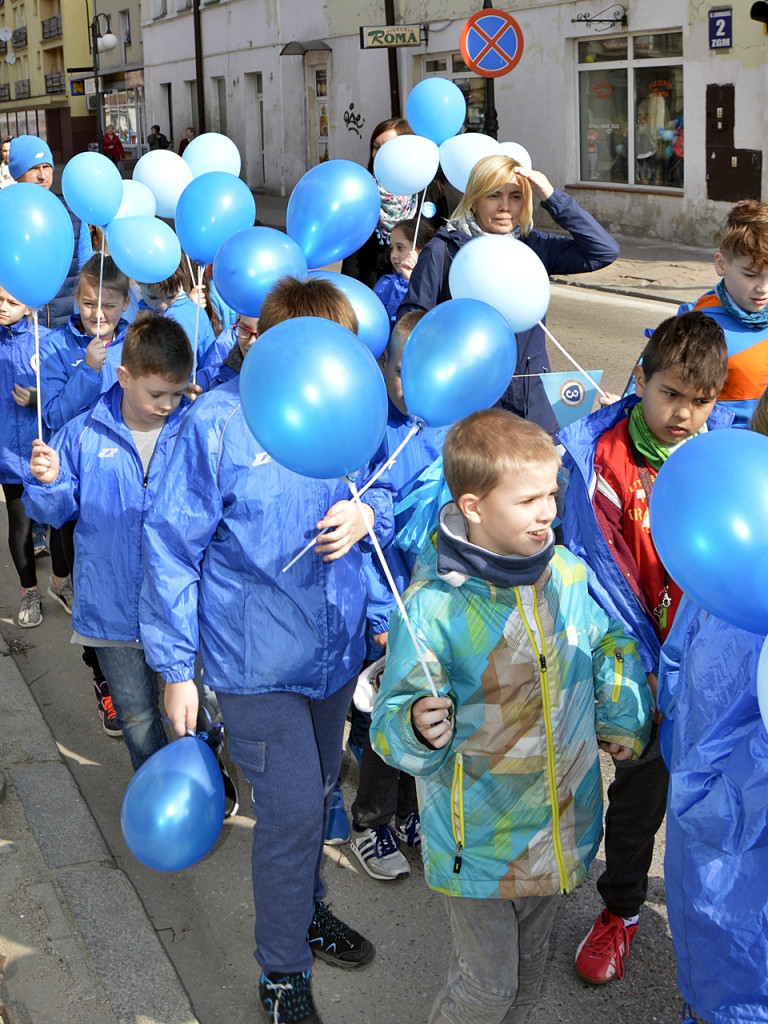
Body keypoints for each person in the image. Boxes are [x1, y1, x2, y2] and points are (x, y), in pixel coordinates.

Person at [140, 277, 392, 1024]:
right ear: (264, 346)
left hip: (334, 653)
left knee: (319, 793)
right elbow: (170, 548)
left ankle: (305, 910)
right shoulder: (216, 424)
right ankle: (282, 969)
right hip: (254, 663)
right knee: (289, 812)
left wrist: (368, 516)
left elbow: (396, 490)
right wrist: (176, 670)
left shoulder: (355, 412)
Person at [370, 408, 652, 1024]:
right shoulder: (434, 607)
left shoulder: (567, 574)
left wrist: (620, 709)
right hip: (479, 842)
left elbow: (610, 642)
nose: (547, 512)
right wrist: (415, 726)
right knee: (487, 991)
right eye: (527, 500)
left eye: (551, 494)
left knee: (526, 985)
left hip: (556, 829)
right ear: (473, 507)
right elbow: (390, 719)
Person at [557, 311, 731, 985]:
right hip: (625, 658)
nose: (683, 414)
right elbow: (592, 568)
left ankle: (699, 919)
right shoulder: (600, 457)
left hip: (704, 668)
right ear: (639, 380)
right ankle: (618, 908)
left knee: (701, 800)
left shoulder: (723, 463)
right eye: (671, 394)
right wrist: (636, 663)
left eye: (701, 401)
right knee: (627, 794)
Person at [25, 313, 193, 770]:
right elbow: (53, 511)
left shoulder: (193, 431)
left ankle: (198, 782)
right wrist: (48, 481)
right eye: (156, 394)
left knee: (192, 713)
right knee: (137, 717)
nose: (167, 405)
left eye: (177, 393)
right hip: (109, 609)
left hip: (179, 606)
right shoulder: (83, 432)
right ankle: (155, 790)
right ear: (123, 376)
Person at [397, 153, 620, 434]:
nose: (505, 207)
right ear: (474, 199)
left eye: (515, 196)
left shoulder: (534, 245)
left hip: (531, 400)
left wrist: (551, 197)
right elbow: (411, 323)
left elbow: (603, 251)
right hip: (469, 399)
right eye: (493, 195)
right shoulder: (444, 250)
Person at [342, 311, 448, 876]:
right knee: (385, 715)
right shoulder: (366, 426)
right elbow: (364, 540)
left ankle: (409, 811)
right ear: (384, 364)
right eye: (403, 370)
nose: (412, 385)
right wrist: (384, 613)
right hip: (389, 601)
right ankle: (371, 820)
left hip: (437, 602)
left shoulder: (451, 425)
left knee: (426, 710)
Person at [684, 199, 768, 427]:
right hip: (732, 444)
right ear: (721, 264)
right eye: (750, 275)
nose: (763, 288)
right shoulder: (695, 327)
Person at [0, 283, 52, 627]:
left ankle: (61, 583)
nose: (3, 307)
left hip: (44, 451)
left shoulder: (46, 341)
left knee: (59, 525)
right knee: (19, 525)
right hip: (7, 453)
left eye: (12, 302)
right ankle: (29, 591)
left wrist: (38, 398)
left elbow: (64, 392)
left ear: (29, 306)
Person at [8, 134, 94, 327]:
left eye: (46, 167)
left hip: (67, 328)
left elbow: (88, 271)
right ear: (17, 174)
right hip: (20, 331)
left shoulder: (73, 215)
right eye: (34, 168)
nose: (42, 176)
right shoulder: (6, 215)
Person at [341, 118, 418, 288]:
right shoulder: (363, 191)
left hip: (414, 288)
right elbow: (353, 254)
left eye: (388, 147)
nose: (379, 153)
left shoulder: (426, 191)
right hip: (371, 288)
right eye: (376, 147)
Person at [137, 259, 217, 370]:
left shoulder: (195, 314)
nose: (162, 305)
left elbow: (210, 362)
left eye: (171, 297)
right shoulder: (131, 313)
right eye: (153, 297)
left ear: (180, 285)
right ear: (138, 282)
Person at [373, 218, 435, 326]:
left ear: (421, 250)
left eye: (400, 248)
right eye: (392, 248)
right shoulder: (385, 283)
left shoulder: (432, 286)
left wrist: (410, 283)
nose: (393, 255)